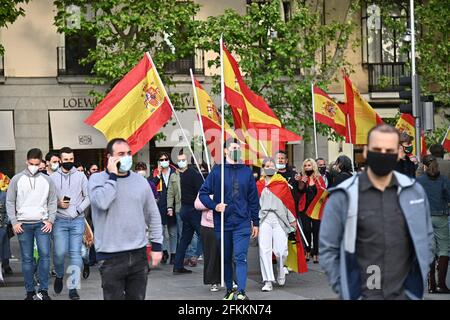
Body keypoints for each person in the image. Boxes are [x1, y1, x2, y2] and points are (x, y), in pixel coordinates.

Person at [320, 124, 434, 300]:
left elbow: (426, 239)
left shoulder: (414, 192)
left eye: (388, 150)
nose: (382, 154)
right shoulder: (343, 195)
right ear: (366, 152)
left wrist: (414, 288)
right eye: (377, 149)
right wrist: (345, 289)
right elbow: (328, 248)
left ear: (399, 153)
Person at [88, 138, 163, 300]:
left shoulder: (140, 182)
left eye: (129, 153)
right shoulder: (96, 180)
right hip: (110, 256)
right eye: (121, 154)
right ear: (109, 157)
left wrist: (157, 245)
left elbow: (153, 214)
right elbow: (102, 202)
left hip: (138, 254)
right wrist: (113, 176)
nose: (126, 157)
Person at [199, 138, 259, 300]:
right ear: (225, 151)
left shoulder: (246, 172)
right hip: (223, 223)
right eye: (233, 148)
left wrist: (256, 221)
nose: (236, 150)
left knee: (240, 256)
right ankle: (229, 290)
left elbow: (253, 199)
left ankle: (241, 291)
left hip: (242, 223)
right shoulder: (218, 171)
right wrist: (215, 205)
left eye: (238, 148)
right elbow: (203, 193)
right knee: (226, 257)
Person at [6, 148, 57, 300]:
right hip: (23, 225)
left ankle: (43, 290)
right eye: (31, 163)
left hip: (42, 224)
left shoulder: (47, 180)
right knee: (27, 258)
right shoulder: (17, 179)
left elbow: (52, 201)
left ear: (41, 162)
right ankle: (29, 292)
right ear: (26, 161)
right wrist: (14, 222)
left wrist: (50, 220)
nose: (33, 166)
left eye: (36, 163)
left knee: (45, 256)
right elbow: (10, 201)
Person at [50, 147, 90, 300]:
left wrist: (78, 210)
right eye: (65, 160)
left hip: (77, 220)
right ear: (60, 160)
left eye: (71, 159)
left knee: (76, 254)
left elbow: (88, 197)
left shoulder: (81, 176)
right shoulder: (52, 178)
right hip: (59, 220)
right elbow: (49, 200)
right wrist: (59, 204)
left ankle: (73, 287)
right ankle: (59, 275)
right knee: (59, 253)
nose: (68, 162)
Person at [256, 158, 297, 292]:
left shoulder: (282, 183)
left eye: (272, 165)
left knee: (281, 251)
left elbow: (289, 202)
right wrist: (253, 221)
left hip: (280, 218)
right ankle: (268, 280)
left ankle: (280, 269)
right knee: (264, 250)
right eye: (267, 166)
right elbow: (254, 203)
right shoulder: (259, 184)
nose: (269, 167)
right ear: (263, 168)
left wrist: (292, 219)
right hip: (264, 219)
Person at [417, 155, 450, 293]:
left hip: (424, 218)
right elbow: (448, 197)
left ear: (424, 166)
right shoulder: (444, 179)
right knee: (444, 250)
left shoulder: (419, 181)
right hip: (441, 216)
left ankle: (431, 285)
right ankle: (441, 284)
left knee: (429, 250)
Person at [170, 151, 205, 274]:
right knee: (205, 235)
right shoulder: (195, 175)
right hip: (193, 210)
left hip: (184, 209)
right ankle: (213, 264)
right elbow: (201, 192)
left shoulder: (184, 175)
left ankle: (178, 265)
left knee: (185, 239)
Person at [296, 158, 326, 264]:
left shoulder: (319, 178)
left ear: (313, 166)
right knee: (307, 230)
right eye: (305, 166)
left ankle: (316, 253)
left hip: (316, 209)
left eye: (309, 165)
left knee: (316, 231)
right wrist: (302, 181)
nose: (307, 167)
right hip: (304, 209)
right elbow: (300, 190)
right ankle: (307, 251)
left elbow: (324, 192)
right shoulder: (302, 178)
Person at [151, 152, 177, 264]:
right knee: (161, 231)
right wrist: (158, 174)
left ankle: (174, 254)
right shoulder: (156, 173)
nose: (164, 161)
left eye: (166, 159)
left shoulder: (174, 171)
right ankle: (165, 251)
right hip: (160, 205)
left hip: (173, 205)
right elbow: (151, 185)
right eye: (161, 160)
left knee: (173, 231)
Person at [195, 194, 221, 292]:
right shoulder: (206, 188)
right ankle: (213, 281)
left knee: (228, 254)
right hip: (209, 226)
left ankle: (231, 279)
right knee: (211, 255)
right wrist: (213, 204)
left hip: (226, 224)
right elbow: (197, 204)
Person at [0, 173, 12, 277]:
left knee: (4, 242)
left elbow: (10, 201)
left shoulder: (5, 179)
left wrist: (8, 220)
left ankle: (5, 264)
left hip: (3, 218)